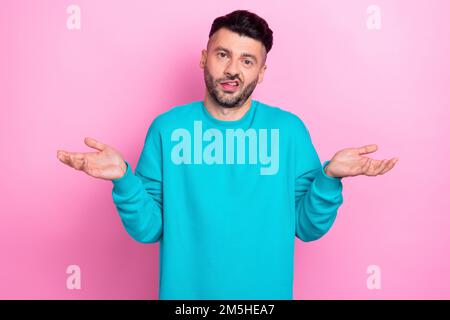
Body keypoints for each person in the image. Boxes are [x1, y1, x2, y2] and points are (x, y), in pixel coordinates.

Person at [56, 9, 399, 300]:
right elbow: (149, 229)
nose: (233, 69)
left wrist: (329, 179)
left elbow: (307, 228)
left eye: (247, 60)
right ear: (205, 58)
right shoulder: (167, 128)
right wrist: (124, 180)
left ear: (261, 72)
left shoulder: (288, 131)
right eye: (223, 55)